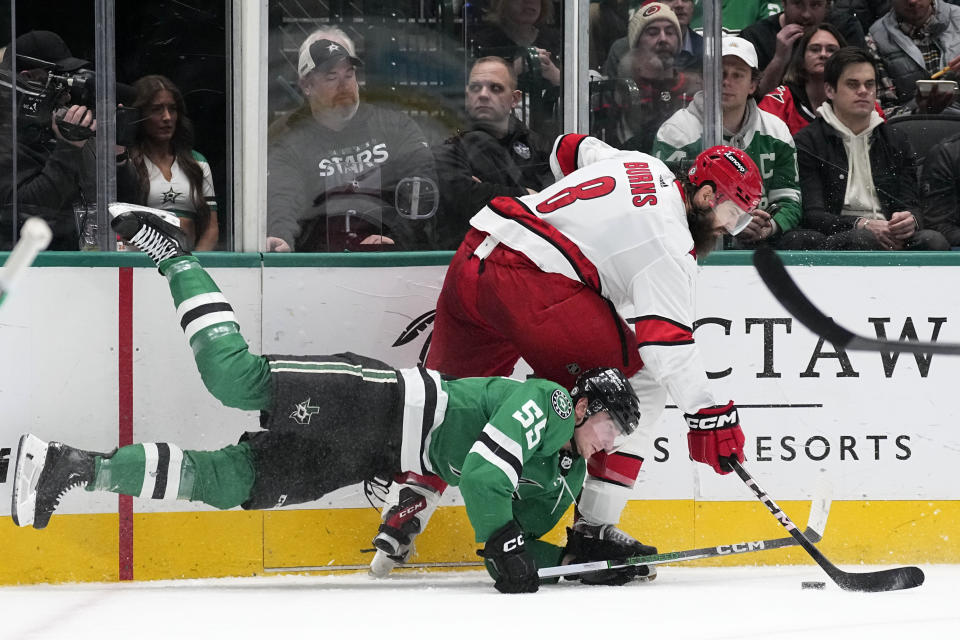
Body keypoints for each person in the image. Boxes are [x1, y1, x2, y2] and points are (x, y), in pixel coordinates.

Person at [11, 202, 647, 595]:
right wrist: (505, 540)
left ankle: (74, 467)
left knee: (233, 483)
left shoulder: (564, 472)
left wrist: (577, 559)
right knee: (234, 379)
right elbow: (485, 476)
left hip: (366, 457)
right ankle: (175, 255)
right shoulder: (552, 404)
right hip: (384, 406)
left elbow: (521, 541)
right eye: (612, 423)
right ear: (588, 406)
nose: (611, 440)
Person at [374, 136, 757, 578]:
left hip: (477, 252)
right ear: (706, 195)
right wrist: (708, 415)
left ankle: (407, 507)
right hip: (531, 286)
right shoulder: (670, 243)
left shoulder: (639, 163)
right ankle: (594, 524)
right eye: (733, 213)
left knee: (447, 398)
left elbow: (566, 148)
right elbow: (665, 346)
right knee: (640, 378)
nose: (731, 228)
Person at [266, 27, 439, 252]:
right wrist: (282, 238)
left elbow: (422, 186)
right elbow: (283, 199)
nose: (344, 84)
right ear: (307, 86)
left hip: (394, 263)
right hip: (323, 269)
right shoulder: (291, 145)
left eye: (349, 74)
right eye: (332, 77)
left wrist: (396, 237)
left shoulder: (396, 126)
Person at [652, 37, 808, 249]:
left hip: (761, 248)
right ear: (706, 79)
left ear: (753, 84)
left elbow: (789, 200)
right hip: (694, 248)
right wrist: (730, 223)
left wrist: (768, 226)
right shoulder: (676, 132)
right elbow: (665, 205)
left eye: (738, 75)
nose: (727, 81)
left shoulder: (777, 132)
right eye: (721, 74)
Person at [793, 46, 949, 249]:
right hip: (841, 236)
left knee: (934, 241)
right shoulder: (807, 142)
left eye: (869, 84)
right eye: (853, 84)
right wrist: (861, 225)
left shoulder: (896, 139)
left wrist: (910, 221)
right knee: (862, 239)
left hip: (890, 233)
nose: (863, 91)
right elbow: (812, 215)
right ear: (830, 90)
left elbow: (912, 205)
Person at [0, 30, 135, 250]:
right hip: (24, 268)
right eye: (60, 81)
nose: (67, 94)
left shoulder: (66, 130)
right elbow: (24, 212)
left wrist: (116, 155)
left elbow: (124, 208)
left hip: (79, 264)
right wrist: (68, 148)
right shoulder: (6, 135)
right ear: (28, 78)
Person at [433, 57, 553, 249]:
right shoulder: (449, 142)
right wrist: (525, 193)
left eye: (495, 88)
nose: (483, 95)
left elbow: (553, 198)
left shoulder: (535, 143)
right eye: (475, 88)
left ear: (515, 99)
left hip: (532, 253)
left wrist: (489, 191)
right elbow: (464, 198)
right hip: (467, 254)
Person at [128, 74, 218, 251]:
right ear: (140, 114)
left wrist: (195, 267)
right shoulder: (128, 162)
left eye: (172, 109)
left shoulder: (197, 163)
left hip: (189, 264)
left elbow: (211, 227)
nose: (167, 117)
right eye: (157, 109)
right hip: (140, 267)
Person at [600, 2, 702, 153]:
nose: (663, 39)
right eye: (653, 33)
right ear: (636, 43)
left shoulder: (695, 87)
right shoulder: (623, 92)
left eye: (669, 32)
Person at [471, 0, 563, 137]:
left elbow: (572, 88)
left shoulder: (556, 38)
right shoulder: (485, 40)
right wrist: (514, 69)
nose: (530, 3)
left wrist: (553, 73)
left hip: (549, 126)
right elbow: (477, 87)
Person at [740, 0, 866, 97]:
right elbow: (754, 97)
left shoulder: (846, 28)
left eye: (815, 5)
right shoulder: (756, 36)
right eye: (798, 3)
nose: (806, 14)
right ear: (783, 3)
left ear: (827, 5)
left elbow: (861, 83)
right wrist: (779, 59)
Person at [758, 23, 867, 135]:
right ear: (802, 58)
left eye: (831, 50)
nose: (823, 55)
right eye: (815, 49)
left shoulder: (860, 96)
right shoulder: (778, 102)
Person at [867, 0, 960, 109]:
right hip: (914, 123)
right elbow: (883, 110)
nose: (912, 1)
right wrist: (918, 110)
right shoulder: (876, 39)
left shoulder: (957, 19)